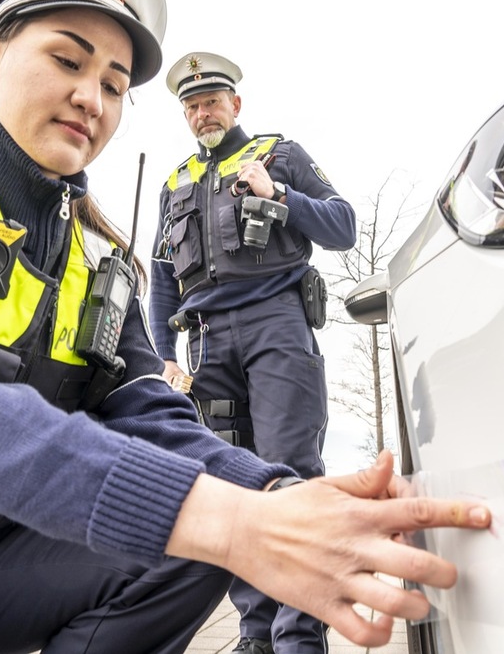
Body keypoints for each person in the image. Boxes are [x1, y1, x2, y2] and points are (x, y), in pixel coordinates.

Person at [0, 0, 491, 652]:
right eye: (68, 61)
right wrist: (232, 518)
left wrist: (282, 496)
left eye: (114, 85)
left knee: (205, 534)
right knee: (210, 520)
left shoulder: (103, 262)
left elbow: (157, 416)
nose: (91, 98)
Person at [149, 51, 357, 653]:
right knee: (233, 488)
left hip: (276, 326)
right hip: (205, 339)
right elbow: (162, 277)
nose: (201, 112)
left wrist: (282, 194)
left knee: (290, 475)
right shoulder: (175, 182)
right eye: (191, 105)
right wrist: (165, 355)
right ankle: (256, 635)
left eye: (211, 100)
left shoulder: (278, 153)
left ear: (235, 104)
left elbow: (341, 226)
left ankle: (298, 639)